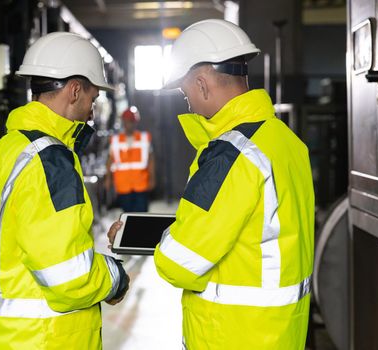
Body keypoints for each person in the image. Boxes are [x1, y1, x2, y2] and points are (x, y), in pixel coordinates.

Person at [109, 19, 314, 349]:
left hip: (233, 335)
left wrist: (165, 240)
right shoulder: (285, 141)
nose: (187, 101)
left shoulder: (231, 155)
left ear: (202, 84)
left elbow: (179, 263)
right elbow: (252, 230)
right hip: (279, 332)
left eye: (185, 90)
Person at [0, 32, 129, 349]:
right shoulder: (50, 161)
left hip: (5, 335)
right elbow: (69, 276)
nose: (93, 112)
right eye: (93, 99)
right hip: (47, 338)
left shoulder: (8, 147)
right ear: (74, 91)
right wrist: (115, 277)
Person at [105, 106, 155, 212]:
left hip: (141, 184)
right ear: (123, 122)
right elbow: (110, 160)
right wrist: (108, 179)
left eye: (131, 121)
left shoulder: (144, 138)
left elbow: (151, 160)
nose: (129, 124)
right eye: (127, 121)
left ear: (135, 122)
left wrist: (152, 179)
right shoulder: (115, 140)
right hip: (123, 185)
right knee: (127, 216)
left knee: (142, 216)